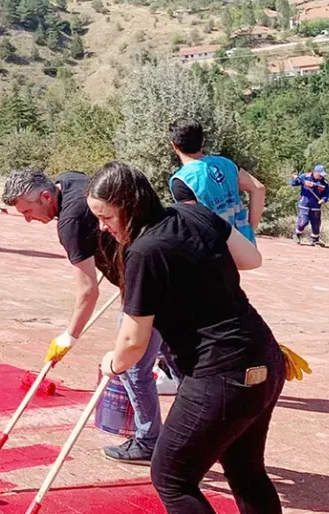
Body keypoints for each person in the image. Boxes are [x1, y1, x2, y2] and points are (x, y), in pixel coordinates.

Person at [88, 161, 307, 514]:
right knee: (246, 470)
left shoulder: (144, 251)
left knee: (172, 477)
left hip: (221, 373)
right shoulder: (194, 214)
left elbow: (131, 344)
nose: (102, 227)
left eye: (107, 217)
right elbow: (250, 258)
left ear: (129, 206)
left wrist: (110, 363)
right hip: (264, 356)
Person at [2, 168, 173, 466]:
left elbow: (87, 291)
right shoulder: (72, 179)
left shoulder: (68, 223)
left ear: (45, 196)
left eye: (28, 211)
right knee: (176, 346)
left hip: (143, 285)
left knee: (132, 367)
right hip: (157, 270)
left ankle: (148, 441)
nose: (29, 219)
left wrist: (69, 335)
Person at [168, 118, 265, 242]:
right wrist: (250, 228)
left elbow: (193, 223)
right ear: (203, 141)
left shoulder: (181, 181)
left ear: (174, 145)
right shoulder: (226, 164)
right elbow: (259, 188)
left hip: (217, 251)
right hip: (245, 244)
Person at [290, 165, 329, 245]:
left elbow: (326, 193)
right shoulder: (304, 176)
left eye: (323, 175)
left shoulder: (324, 182)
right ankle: (297, 234)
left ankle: (315, 239)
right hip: (304, 204)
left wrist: (323, 199)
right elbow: (293, 183)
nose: (321, 176)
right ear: (315, 172)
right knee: (304, 221)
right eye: (320, 174)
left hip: (316, 206)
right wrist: (295, 178)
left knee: (316, 223)